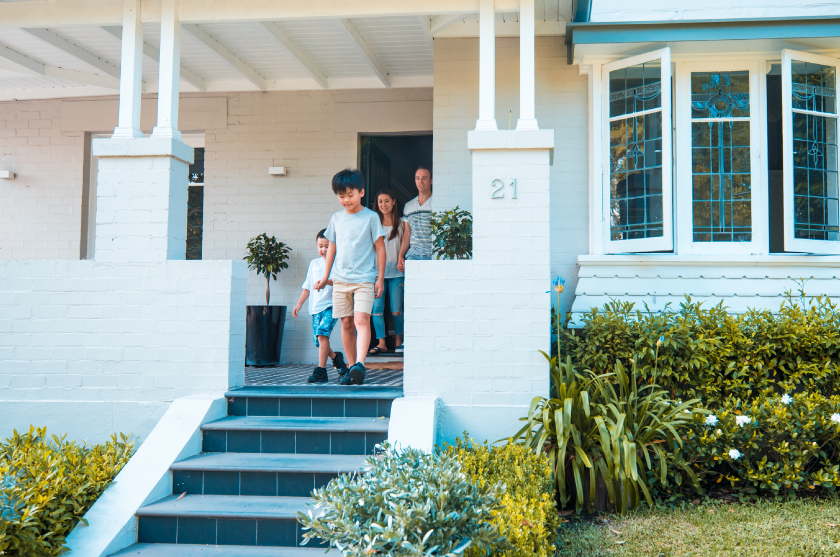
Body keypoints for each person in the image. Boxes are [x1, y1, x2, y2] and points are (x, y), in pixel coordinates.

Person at [316, 169, 385, 386]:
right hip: (340, 280)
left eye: (350, 195)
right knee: (346, 323)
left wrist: (380, 278)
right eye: (341, 196)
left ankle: (360, 364)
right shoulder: (336, 219)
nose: (346, 200)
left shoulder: (371, 217)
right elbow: (332, 249)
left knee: (361, 319)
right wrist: (325, 276)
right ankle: (351, 367)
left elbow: (380, 249)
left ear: (361, 192)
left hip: (364, 279)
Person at [292, 229, 349, 383]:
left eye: (327, 246)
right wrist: (299, 303)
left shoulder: (338, 263)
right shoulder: (314, 264)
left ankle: (321, 370)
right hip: (315, 308)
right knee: (319, 341)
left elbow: (340, 282)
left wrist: (325, 282)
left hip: (331, 305)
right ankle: (336, 358)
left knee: (322, 334)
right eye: (320, 246)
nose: (324, 250)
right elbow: (307, 286)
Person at [369, 190, 405, 355]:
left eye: (387, 201)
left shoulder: (402, 223)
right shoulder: (374, 223)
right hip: (377, 273)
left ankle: (399, 340)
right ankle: (381, 342)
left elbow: (406, 245)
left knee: (396, 310)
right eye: (380, 201)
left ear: (394, 202)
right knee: (377, 310)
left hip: (397, 273)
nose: (383, 205)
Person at [398, 165, 433, 269]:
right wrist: (401, 255)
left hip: (432, 256)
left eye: (424, 178)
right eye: (418, 178)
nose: (420, 181)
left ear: (431, 181)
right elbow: (407, 234)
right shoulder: (408, 206)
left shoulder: (437, 204)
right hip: (413, 256)